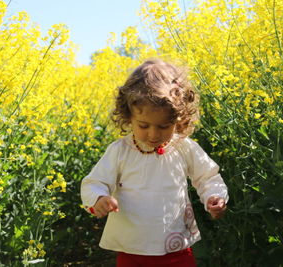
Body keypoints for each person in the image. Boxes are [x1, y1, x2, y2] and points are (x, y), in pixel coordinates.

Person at [81, 59, 228, 267]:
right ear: (128, 116)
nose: (153, 134)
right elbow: (95, 181)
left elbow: (207, 176)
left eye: (163, 126)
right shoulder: (120, 150)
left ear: (178, 119)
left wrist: (215, 196)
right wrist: (99, 198)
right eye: (143, 125)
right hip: (131, 248)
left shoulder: (183, 147)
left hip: (175, 245)